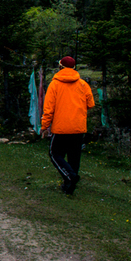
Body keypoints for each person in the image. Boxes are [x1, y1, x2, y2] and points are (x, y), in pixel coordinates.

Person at [40, 56, 95, 195]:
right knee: (74, 157)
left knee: (55, 154)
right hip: (78, 127)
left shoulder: (55, 85)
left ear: (60, 67)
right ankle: (69, 185)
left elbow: (48, 109)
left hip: (61, 128)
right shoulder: (83, 84)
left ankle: (70, 177)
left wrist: (44, 127)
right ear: (74, 68)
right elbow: (90, 104)